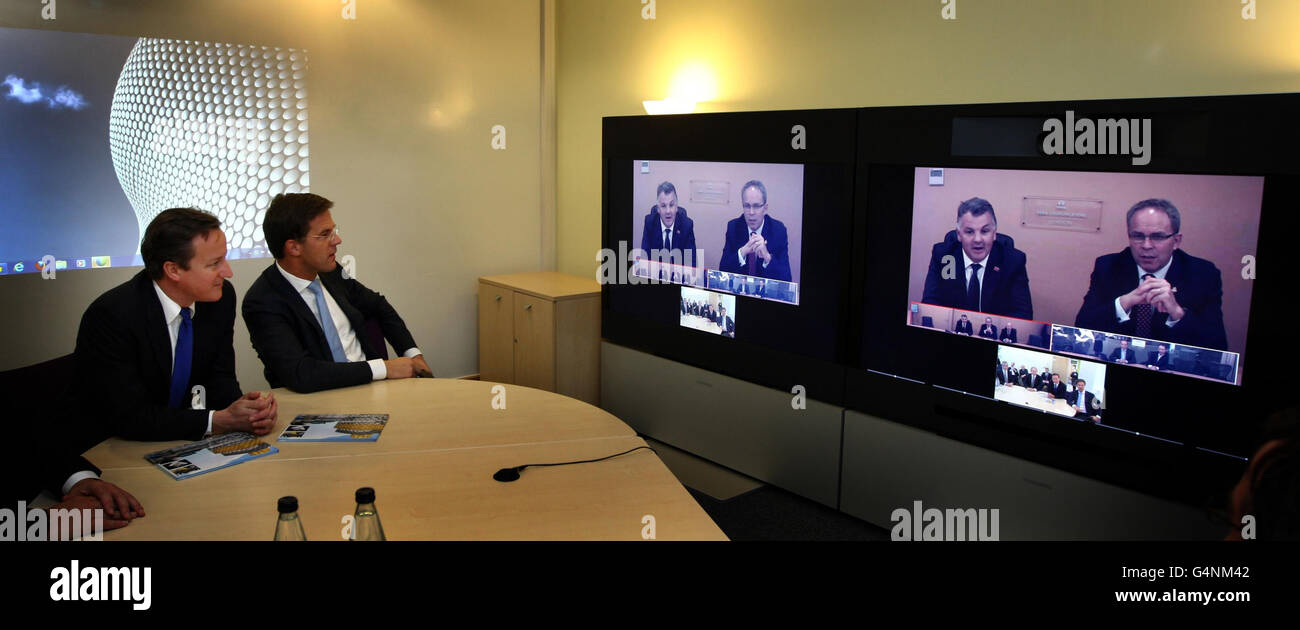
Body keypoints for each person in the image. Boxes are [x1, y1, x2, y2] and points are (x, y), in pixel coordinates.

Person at [75, 208, 277, 442]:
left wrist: (248, 412)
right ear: (173, 270)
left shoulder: (219, 299)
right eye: (214, 263)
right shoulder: (112, 316)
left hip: (183, 439)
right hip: (116, 446)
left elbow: (220, 378)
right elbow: (128, 416)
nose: (228, 272)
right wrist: (215, 421)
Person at [243, 194, 432, 393]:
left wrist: (413, 354)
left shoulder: (331, 272)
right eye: (325, 235)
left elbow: (378, 305)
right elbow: (302, 374)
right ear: (294, 247)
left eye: (334, 231)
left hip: (374, 389)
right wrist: (384, 368)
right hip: (318, 403)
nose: (337, 240)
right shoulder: (262, 301)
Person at [1074, 199, 1228, 351]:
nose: (1146, 246)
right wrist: (1123, 303)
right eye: (1138, 236)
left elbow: (1217, 346)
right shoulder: (1108, 266)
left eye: (1158, 237)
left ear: (1176, 241)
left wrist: (1176, 312)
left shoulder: (1203, 274)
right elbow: (1082, 327)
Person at [920, 197, 1033, 319]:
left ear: (994, 233)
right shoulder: (946, 257)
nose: (978, 239)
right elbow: (931, 304)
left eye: (985, 231)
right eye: (969, 232)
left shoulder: (1012, 262)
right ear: (959, 235)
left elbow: (1022, 314)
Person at [718, 180, 792, 281]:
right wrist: (742, 252)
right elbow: (722, 271)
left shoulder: (778, 231)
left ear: (765, 208)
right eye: (747, 206)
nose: (751, 212)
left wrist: (767, 257)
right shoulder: (733, 227)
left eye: (756, 206)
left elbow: (786, 278)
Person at [639, 181, 698, 269]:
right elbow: (645, 258)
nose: (668, 211)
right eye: (663, 206)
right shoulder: (649, 223)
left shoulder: (687, 225)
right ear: (658, 209)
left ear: (676, 207)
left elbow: (691, 263)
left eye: (671, 205)